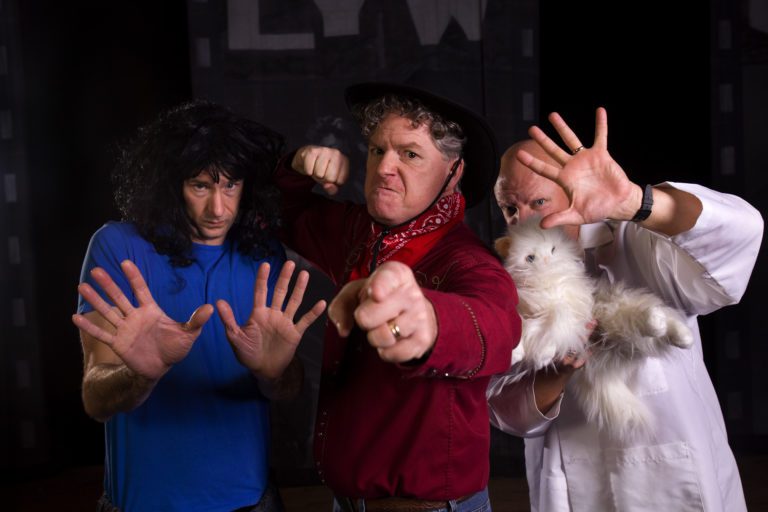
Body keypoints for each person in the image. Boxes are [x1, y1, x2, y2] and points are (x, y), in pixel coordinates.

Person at [487, 107, 763, 511]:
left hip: (672, 476)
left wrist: (636, 202)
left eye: (538, 201)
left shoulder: (639, 241)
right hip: (569, 486)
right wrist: (559, 369)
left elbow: (742, 232)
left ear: (573, 191)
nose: (522, 220)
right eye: (510, 208)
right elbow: (505, 411)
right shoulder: (502, 282)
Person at [275, 82, 521, 511]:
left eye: (410, 154)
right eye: (377, 150)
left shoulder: (469, 262)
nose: (385, 167)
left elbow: (495, 327)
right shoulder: (357, 232)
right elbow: (282, 212)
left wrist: (430, 323)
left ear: (454, 173)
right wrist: (297, 167)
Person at [71, 100, 326, 512]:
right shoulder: (117, 246)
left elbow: (287, 389)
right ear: (171, 184)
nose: (218, 209)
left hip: (252, 503)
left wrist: (275, 373)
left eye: (231, 185)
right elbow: (95, 400)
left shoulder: (263, 256)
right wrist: (140, 376)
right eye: (201, 186)